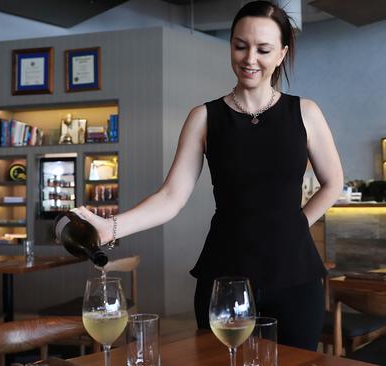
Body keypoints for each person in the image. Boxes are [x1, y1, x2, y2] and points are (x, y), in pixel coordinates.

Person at [73, 0, 343, 351]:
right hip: (224, 274)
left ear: (281, 54)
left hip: (295, 275)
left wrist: (295, 223)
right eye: (240, 46)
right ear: (230, 44)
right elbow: (172, 196)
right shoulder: (203, 117)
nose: (249, 59)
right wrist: (112, 228)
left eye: (263, 49)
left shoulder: (305, 112)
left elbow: (333, 182)